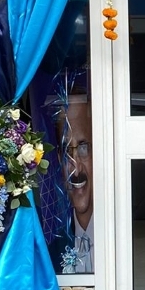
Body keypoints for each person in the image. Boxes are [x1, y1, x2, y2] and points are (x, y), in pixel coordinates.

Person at [50, 95, 94, 274]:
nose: (75, 170)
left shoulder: (122, 241)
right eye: (67, 151)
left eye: (83, 148)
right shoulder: (54, 249)